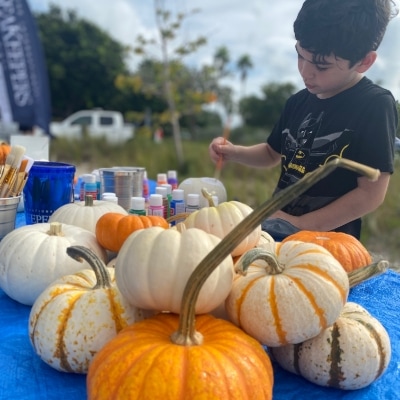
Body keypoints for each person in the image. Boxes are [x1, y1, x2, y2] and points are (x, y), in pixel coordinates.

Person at [209, 0, 399, 240]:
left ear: (364, 61)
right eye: (300, 55)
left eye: (321, 65)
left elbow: (371, 194)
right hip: (276, 232)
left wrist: (299, 225)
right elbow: (270, 153)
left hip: (328, 245)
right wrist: (233, 152)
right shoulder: (298, 101)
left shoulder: (374, 105)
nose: (305, 72)